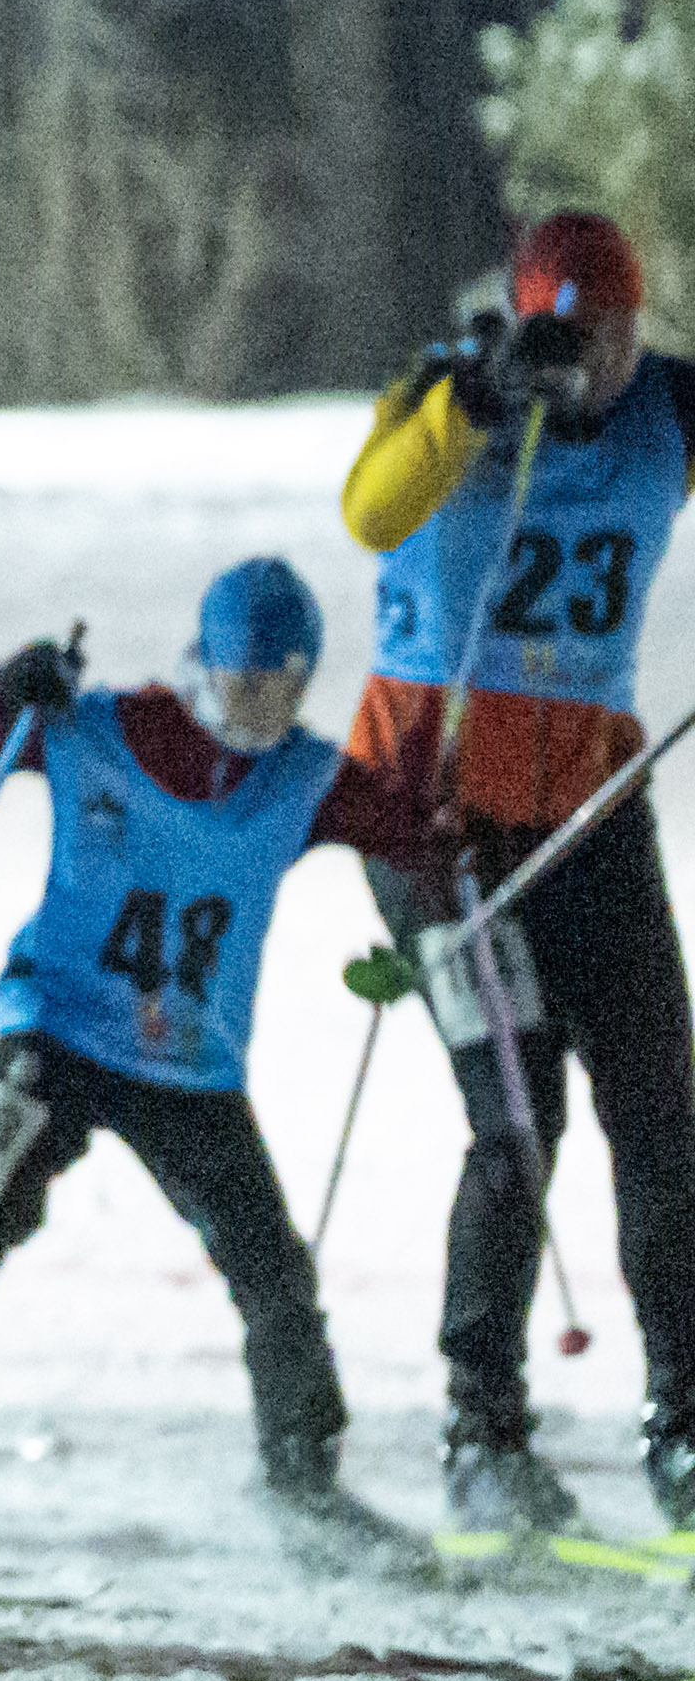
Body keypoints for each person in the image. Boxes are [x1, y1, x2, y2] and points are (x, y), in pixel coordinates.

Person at [0, 565, 433, 1568]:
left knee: (272, 1270)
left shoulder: (304, 777)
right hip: (57, 1028)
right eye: (243, 686)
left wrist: (420, 913)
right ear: (203, 664)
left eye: (282, 692)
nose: (258, 714)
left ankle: (304, 1475)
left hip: (191, 1068)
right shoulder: (102, 728)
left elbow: (420, 840)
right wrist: (4, 688)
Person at [336, 209, 695, 1539]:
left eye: (602, 341)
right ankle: (482, 1433)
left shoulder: (669, 410)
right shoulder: (449, 391)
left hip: (592, 809)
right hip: (434, 824)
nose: (582, 367)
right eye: (557, 337)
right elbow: (371, 511)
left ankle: (685, 1429)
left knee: (661, 1114)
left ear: (635, 327)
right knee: (518, 1117)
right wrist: (477, 401)